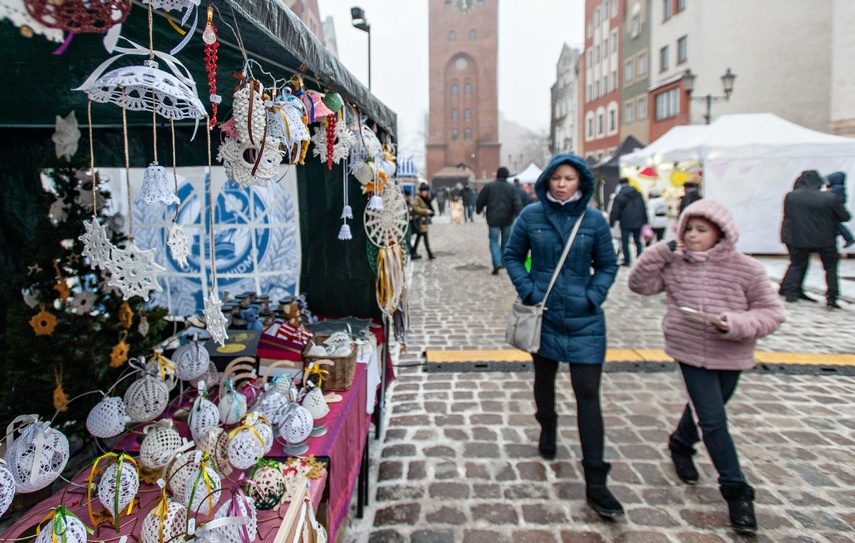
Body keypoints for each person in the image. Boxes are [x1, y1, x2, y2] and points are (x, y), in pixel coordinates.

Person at [628, 198, 785, 534]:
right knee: (713, 420)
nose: (694, 235)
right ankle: (737, 492)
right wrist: (660, 252)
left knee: (705, 411)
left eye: (702, 230)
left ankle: (681, 443)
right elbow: (639, 285)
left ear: (721, 233)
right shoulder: (676, 264)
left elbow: (772, 313)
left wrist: (733, 323)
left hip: (731, 353)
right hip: (688, 350)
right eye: (689, 229)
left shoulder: (747, 269)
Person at [503, 154, 622, 519]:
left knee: (588, 394)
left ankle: (597, 483)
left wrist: (593, 295)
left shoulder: (594, 220)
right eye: (556, 177)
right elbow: (512, 255)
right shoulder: (531, 216)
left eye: (569, 178)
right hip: (545, 316)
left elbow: (607, 264)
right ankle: (548, 426)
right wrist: (530, 291)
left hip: (585, 318)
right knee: (545, 379)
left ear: (581, 183)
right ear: (547, 181)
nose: (561, 184)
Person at [779, 170, 851, 308]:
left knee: (797, 264)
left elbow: (788, 215)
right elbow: (844, 217)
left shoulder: (792, 196)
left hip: (799, 237)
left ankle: (792, 293)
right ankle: (832, 298)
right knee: (830, 268)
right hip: (825, 239)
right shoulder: (830, 198)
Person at [476, 167, 522, 275]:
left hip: (493, 219)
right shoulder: (511, 188)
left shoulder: (490, 186)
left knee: (493, 241)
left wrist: (478, 210)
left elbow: (481, 199)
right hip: (508, 219)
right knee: (506, 242)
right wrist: (520, 216)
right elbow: (517, 203)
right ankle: (504, 263)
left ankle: (497, 263)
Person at [608, 178, 649, 266]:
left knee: (625, 242)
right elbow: (643, 207)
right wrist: (645, 220)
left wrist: (611, 223)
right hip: (638, 221)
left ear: (620, 184)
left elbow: (615, 210)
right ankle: (640, 259)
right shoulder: (638, 194)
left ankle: (627, 260)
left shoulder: (620, 195)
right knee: (637, 241)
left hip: (625, 221)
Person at [826, 172, 854, 248]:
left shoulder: (836, 188)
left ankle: (849, 238)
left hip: (834, 210)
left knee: (837, 224)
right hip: (836, 209)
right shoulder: (839, 187)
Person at [410, 183, 435, 260]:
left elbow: (431, 207)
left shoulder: (426, 199)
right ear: (421, 191)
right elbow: (415, 208)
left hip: (424, 221)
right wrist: (425, 211)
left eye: (426, 191)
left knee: (419, 236)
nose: (425, 192)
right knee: (424, 237)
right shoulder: (418, 198)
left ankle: (413, 252)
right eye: (424, 191)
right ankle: (429, 253)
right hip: (419, 220)